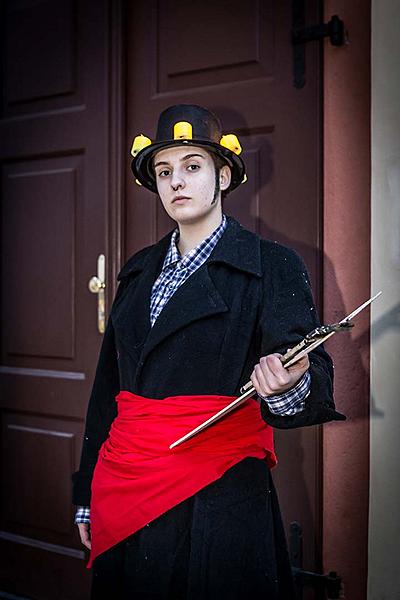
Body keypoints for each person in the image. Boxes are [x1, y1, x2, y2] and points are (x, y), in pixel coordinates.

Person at [72, 104, 345, 599]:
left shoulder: (273, 265)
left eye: (191, 166)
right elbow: (106, 392)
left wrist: (289, 385)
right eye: (163, 171)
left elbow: (312, 373)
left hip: (220, 494)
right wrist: (88, 493)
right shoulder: (137, 271)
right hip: (128, 483)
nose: (176, 181)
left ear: (223, 174)